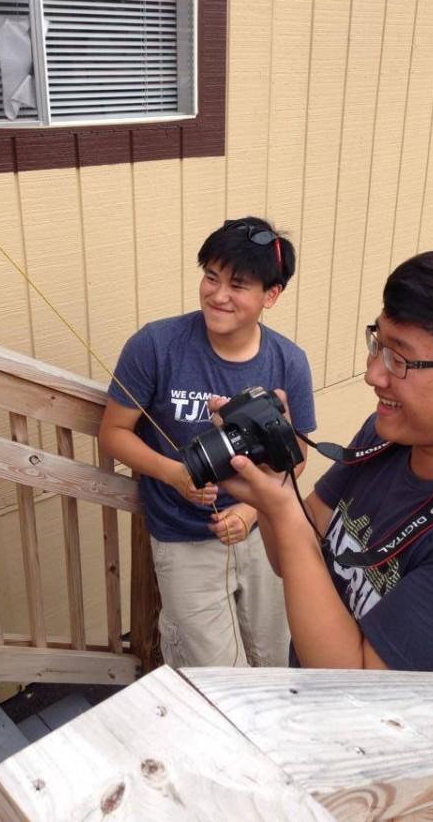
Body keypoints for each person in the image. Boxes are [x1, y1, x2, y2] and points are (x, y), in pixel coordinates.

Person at [215, 241, 433, 673]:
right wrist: (276, 474)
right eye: (377, 343)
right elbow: (291, 558)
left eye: (399, 359)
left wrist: (280, 506)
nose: (373, 373)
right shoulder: (390, 437)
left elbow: (357, 689)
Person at [98, 217, 316, 668]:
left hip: (262, 536)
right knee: (214, 671)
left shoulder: (288, 362)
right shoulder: (156, 345)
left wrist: (253, 508)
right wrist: (175, 473)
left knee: (274, 655)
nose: (218, 295)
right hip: (181, 538)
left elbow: (297, 455)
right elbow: (113, 433)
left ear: (270, 295)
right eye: (211, 277)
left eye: (238, 285)